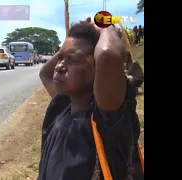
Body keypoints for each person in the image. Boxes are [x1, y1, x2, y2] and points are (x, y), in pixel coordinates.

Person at [38, 17, 143, 180]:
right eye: (60, 58)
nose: (59, 67)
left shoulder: (107, 118)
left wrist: (103, 27)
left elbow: (107, 54)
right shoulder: (63, 104)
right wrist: (76, 39)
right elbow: (45, 73)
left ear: (98, 69)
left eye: (72, 60)